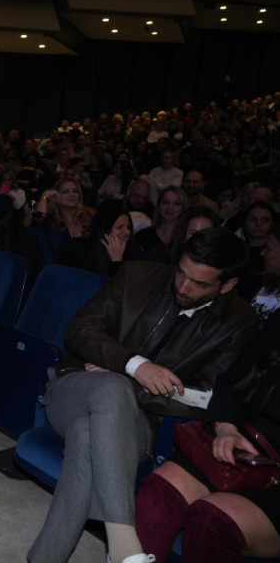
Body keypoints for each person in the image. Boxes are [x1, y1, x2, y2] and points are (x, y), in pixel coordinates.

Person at [27, 227, 259, 563]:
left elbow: (208, 397)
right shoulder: (136, 276)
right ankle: (124, 546)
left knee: (89, 431)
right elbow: (79, 329)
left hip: (143, 423)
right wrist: (135, 366)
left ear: (227, 285)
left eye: (199, 283)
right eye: (181, 272)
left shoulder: (239, 321)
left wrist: (126, 378)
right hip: (75, 390)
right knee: (111, 389)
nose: (182, 286)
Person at [134, 222, 280, 562]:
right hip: (243, 443)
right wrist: (226, 426)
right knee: (158, 495)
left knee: (213, 520)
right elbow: (231, 380)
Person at [56, 200, 138, 276]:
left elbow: (125, 286)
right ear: (104, 229)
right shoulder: (76, 250)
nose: (127, 232)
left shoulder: (131, 254)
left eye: (128, 227)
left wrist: (117, 259)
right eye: (120, 227)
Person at [144, 205, 222, 264]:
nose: (200, 238)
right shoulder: (159, 255)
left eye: (205, 233)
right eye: (194, 233)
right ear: (183, 233)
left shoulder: (219, 262)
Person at [135, 185, 187, 254]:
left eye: (176, 204)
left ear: (183, 208)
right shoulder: (142, 236)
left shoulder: (188, 238)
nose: (170, 207)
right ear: (159, 205)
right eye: (165, 202)